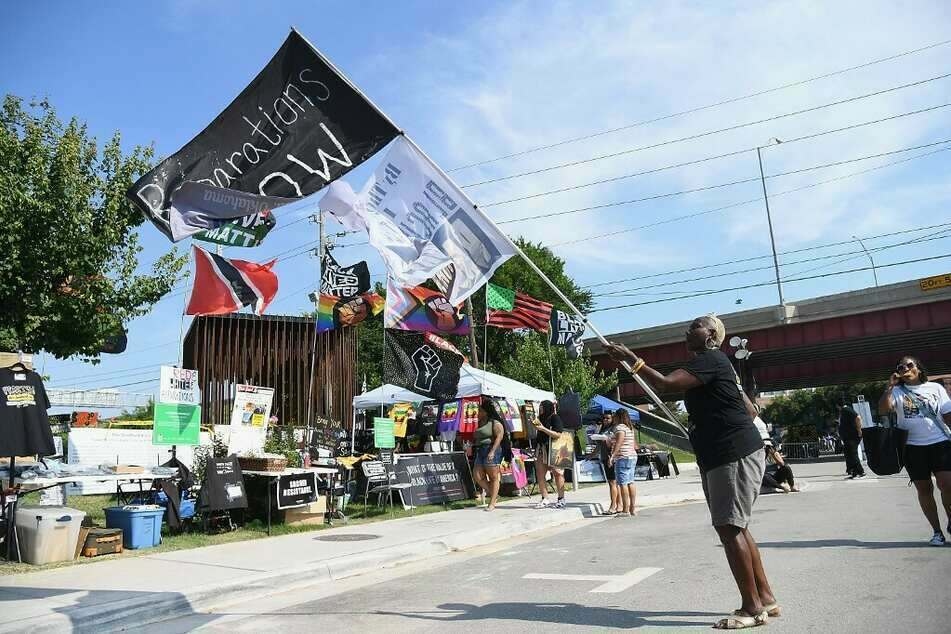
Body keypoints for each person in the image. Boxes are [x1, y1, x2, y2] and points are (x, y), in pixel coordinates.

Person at [606, 314, 778, 629]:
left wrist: (632, 359)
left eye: (694, 326)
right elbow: (750, 410)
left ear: (712, 334)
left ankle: (752, 609)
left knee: (730, 527)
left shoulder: (711, 359)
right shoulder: (718, 364)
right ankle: (765, 597)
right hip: (723, 453)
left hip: (731, 453)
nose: (687, 330)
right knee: (735, 527)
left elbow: (668, 384)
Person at [878, 356, 951, 546]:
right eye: (900, 367)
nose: (905, 369)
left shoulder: (935, 388)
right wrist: (889, 388)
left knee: (947, 485)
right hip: (912, 447)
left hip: (940, 442)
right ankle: (937, 532)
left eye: (909, 365)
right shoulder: (896, 392)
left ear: (918, 368)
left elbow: (947, 413)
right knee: (924, 489)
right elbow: (884, 410)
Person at [532, 400, 567, 509]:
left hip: (554, 450)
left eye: (542, 406)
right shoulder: (541, 418)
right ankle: (545, 498)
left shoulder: (554, 418)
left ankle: (561, 498)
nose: (540, 408)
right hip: (541, 449)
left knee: (557, 473)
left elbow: (558, 434)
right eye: (540, 406)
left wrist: (543, 428)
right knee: (540, 474)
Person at [472, 398, 505, 512]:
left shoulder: (495, 423)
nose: (478, 413)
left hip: (491, 449)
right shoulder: (479, 422)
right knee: (477, 475)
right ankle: (493, 494)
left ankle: (492, 503)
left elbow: (499, 437)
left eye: (480, 410)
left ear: (486, 411)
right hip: (480, 450)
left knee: (493, 477)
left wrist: (492, 451)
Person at [608, 408, 639, 516]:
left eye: (615, 416)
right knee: (631, 482)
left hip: (623, 457)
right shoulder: (629, 428)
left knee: (623, 483)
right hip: (632, 456)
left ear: (618, 417)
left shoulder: (619, 428)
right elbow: (634, 445)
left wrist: (612, 456)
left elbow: (619, 442)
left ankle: (625, 509)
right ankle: (632, 508)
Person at [598, 411, 622, 515]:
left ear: (612, 419)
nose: (605, 420)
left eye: (608, 418)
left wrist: (607, 441)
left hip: (611, 457)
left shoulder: (614, 429)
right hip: (604, 456)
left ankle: (613, 506)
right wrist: (592, 455)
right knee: (613, 483)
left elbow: (615, 443)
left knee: (613, 482)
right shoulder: (602, 429)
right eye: (604, 418)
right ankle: (619, 504)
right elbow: (599, 445)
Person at [838, 401, 865, 478]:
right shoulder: (844, 411)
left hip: (852, 436)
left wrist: (859, 430)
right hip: (848, 437)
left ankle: (860, 471)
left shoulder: (846, 409)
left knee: (853, 454)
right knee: (848, 454)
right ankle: (854, 472)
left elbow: (858, 418)